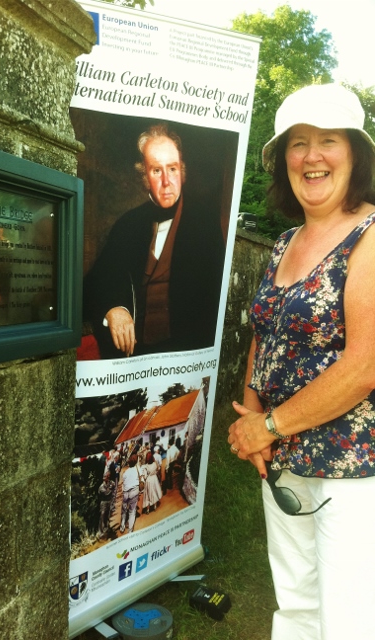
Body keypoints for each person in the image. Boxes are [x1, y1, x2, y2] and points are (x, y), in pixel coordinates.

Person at [227, 83, 375, 639]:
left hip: (354, 469)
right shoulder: (286, 240)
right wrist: (252, 413)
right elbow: (263, 338)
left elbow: (365, 366)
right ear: (283, 160)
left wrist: (265, 427)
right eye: (298, 143)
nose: (311, 156)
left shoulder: (370, 237)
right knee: (294, 607)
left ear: (355, 156)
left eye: (328, 141)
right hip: (284, 458)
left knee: (350, 619)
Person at [84, 123, 225, 358]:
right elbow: (96, 284)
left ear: (182, 171)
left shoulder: (205, 227)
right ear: (144, 176)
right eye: (156, 170)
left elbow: (214, 305)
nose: (166, 181)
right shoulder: (128, 224)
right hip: (134, 357)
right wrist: (113, 308)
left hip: (185, 356)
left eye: (172, 169)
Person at [119, 454, 140, 535]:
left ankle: (122, 526)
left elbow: (123, 483)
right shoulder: (138, 470)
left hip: (125, 493)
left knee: (124, 510)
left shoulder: (125, 472)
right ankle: (130, 530)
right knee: (132, 512)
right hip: (134, 492)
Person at [96, 471, 115, 540]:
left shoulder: (111, 483)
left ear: (108, 477)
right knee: (102, 515)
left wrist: (111, 487)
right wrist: (110, 488)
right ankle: (101, 533)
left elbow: (113, 485)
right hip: (103, 502)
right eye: (104, 476)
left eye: (105, 476)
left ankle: (107, 530)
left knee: (107, 515)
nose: (104, 478)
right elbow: (107, 493)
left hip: (109, 502)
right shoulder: (101, 486)